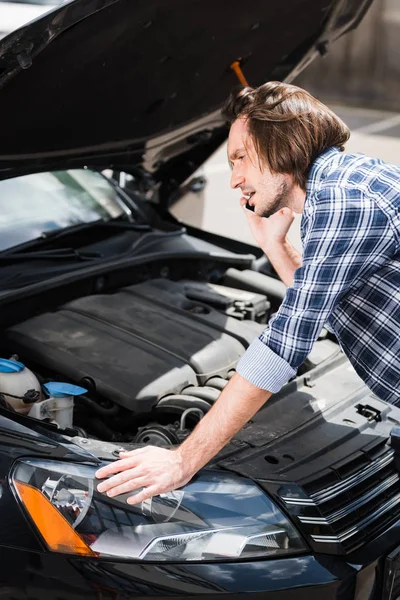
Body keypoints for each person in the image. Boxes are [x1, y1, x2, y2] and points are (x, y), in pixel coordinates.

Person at [96, 81, 400, 503]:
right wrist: (276, 246)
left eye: (240, 157)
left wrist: (182, 460)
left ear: (283, 143)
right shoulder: (344, 184)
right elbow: (324, 305)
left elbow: (285, 344)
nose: (234, 178)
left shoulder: (347, 201)